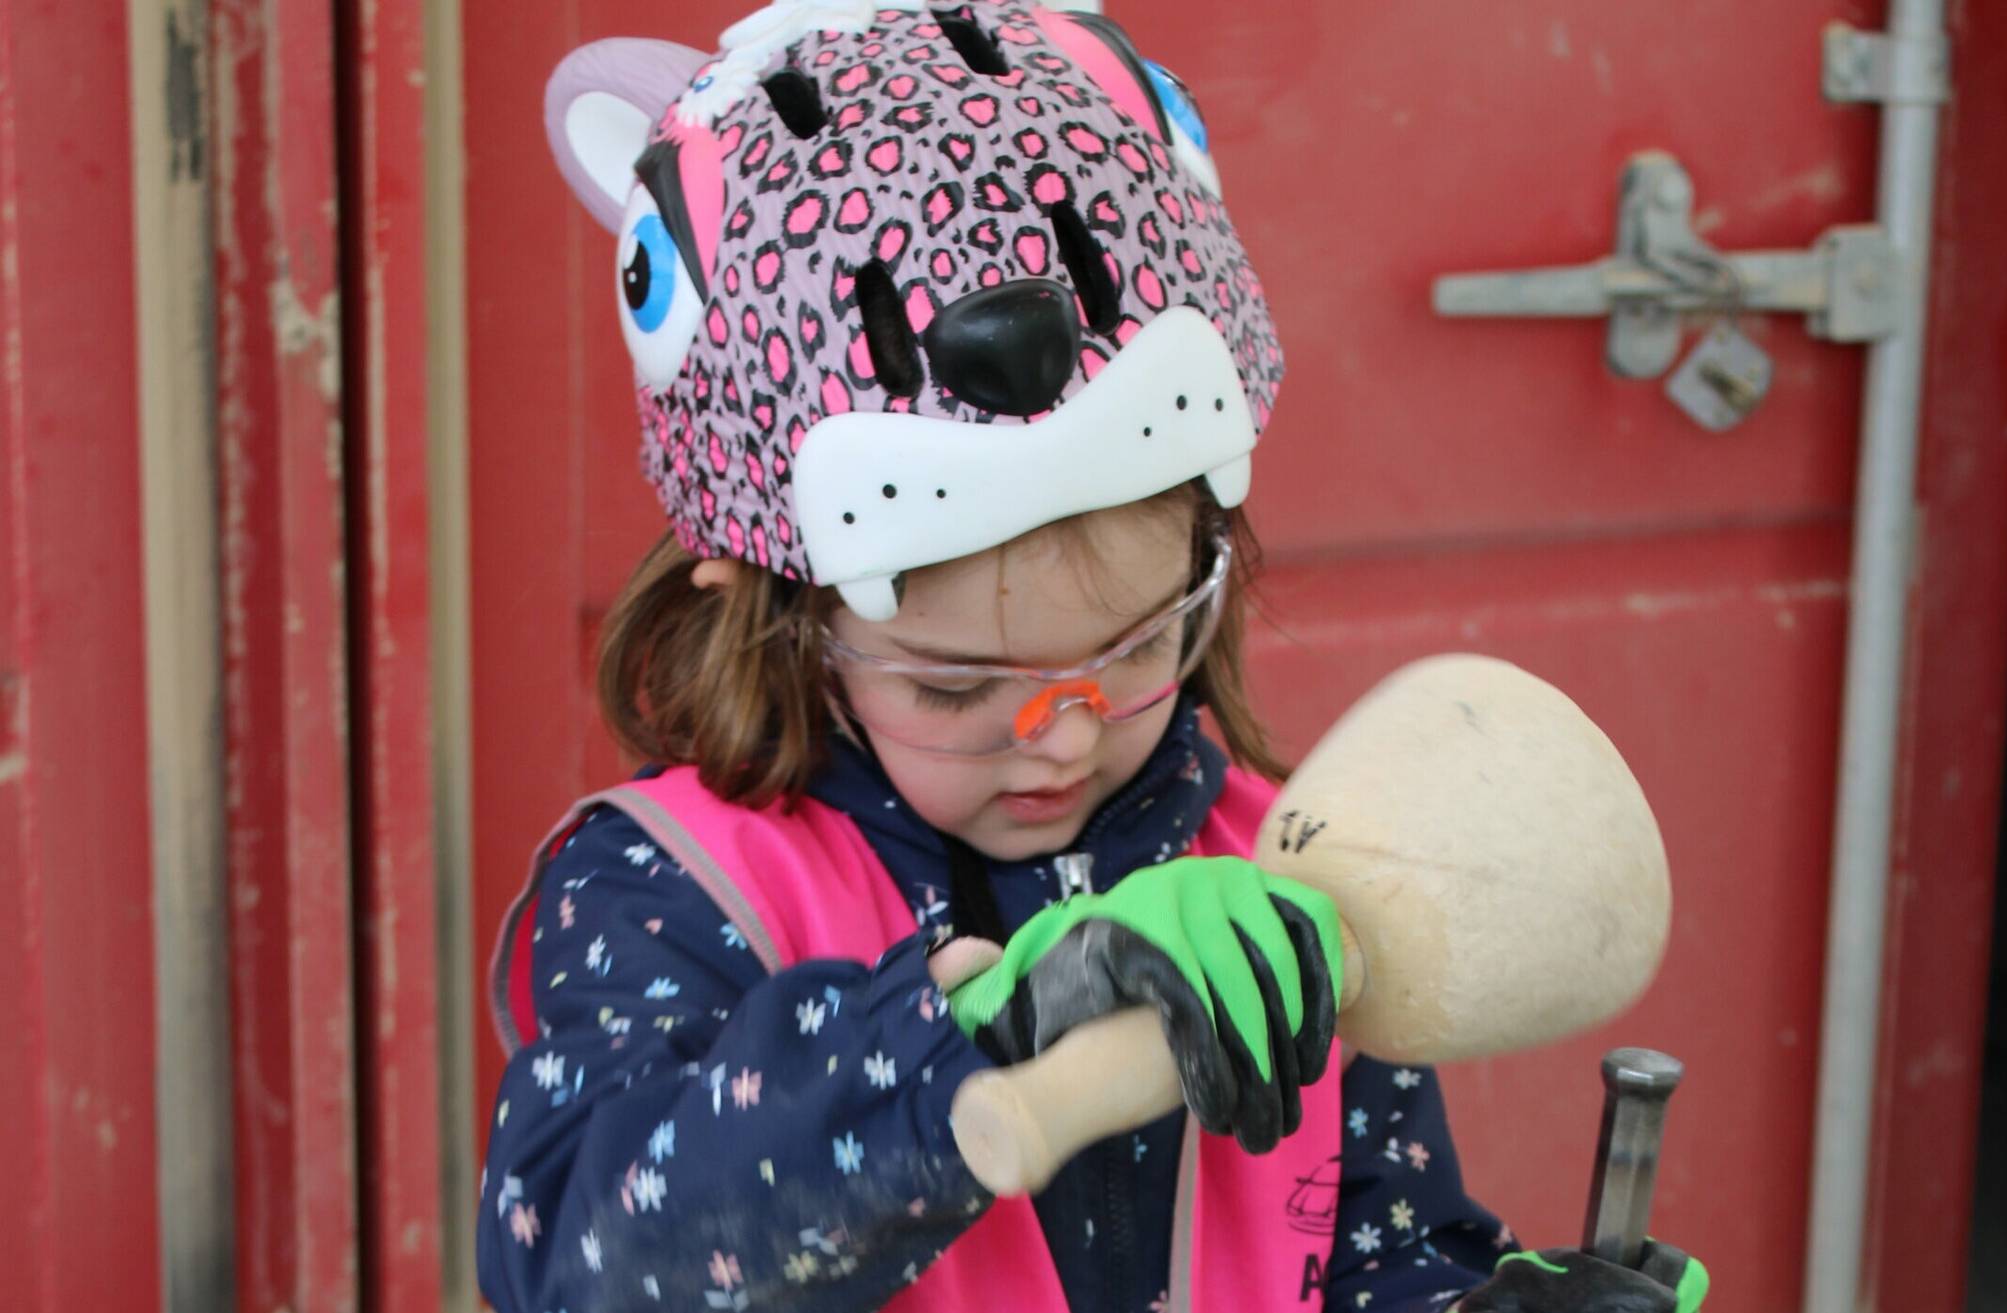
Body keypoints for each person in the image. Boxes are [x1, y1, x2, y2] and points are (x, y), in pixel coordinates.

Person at [477, 3, 1707, 1310]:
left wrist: (1475, 1305)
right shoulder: (673, 892)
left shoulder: (1282, 875)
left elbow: (1373, 1241)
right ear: (775, 604)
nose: (1063, 733)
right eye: (956, 684)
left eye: (1132, 647)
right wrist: (978, 1036)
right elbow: (577, 1255)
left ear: (1211, 554)